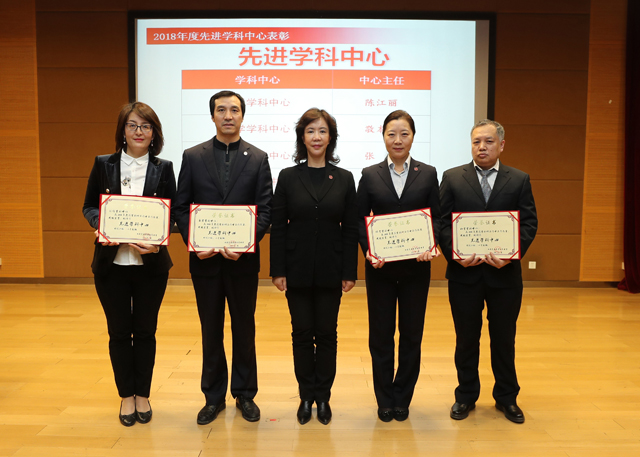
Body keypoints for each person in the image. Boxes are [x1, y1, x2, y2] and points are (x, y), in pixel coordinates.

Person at [173, 90, 273, 425]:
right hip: (205, 262)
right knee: (210, 329)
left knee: (244, 328)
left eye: (234, 110)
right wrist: (193, 242)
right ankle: (213, 397)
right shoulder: (193, 156)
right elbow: (181, 207)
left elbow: (266, 210)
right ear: (212, 115)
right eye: (221, 110)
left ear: (242, 115)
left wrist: (246, 242)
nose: (228, 116)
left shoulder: (258, 158)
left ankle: (245, 394)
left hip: (242, 261)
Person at [82, 102, 176, 426]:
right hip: (111, 266)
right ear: (122, 130)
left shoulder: (164, 168)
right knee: (119, 332)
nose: (139, 132)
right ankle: (126, 395)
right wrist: (102, 225)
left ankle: (143, 394)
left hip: (151, 267)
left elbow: (173, 213)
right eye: (133, 125)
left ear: (154, 133)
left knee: (146, 332)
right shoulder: (103, 164)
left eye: (146, 126)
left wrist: (158, 239)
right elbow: (89, 206)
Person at [439, 119, 538, 424]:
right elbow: (442, 223)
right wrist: (456, 255)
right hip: (464, 275)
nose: (482, 147)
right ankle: (465, 396)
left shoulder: (519, 179)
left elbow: (529, 223)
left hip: (504, 276)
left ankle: (507, 397)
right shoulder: (452, 177)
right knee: (466, 339)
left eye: (488, 142)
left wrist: (511, 254)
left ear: (501, 145)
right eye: (476, 142)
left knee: (504, 339)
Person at [270, 108, 358, 425]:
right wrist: (277, 270)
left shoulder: (345, 178)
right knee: (302, 334)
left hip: (332, 269)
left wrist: (350, 272)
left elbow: (351, 228)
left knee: (327, 334)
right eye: (310, 131)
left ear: (330, 137)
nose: (316, 137)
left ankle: (324, 397)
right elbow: (278, 227)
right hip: (296, 269)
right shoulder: (288, 177)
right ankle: (306, 395)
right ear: (302, 137)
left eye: (322, 131)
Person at [356, 110, 441, 422]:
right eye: (391, 134)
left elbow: (437, 217)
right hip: (380, 270)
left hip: (416, 270)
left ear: (413, 137)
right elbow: (359, 219)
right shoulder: (370, 174)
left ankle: (402, 397)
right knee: (380, 335)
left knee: (411, 334)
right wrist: (369, 250)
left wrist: (431, 245)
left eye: (404, 133)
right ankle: (384, 398)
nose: (398, 140)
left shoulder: (428, 173)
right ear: (383, 136)